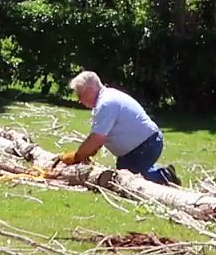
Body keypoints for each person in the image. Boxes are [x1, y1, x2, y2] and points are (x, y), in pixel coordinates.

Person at [53, 71, 181, 186]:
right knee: (127, 172)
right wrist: (87, 152)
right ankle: (162, 173)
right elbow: (99, 137)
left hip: (144, 146)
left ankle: (164, 178)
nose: (79, 100)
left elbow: (97, 138)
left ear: (90, 89)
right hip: (142, 146)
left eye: (80, 95)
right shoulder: (106, 99)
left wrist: (77, 156)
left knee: (128, 180)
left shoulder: (106, 103)